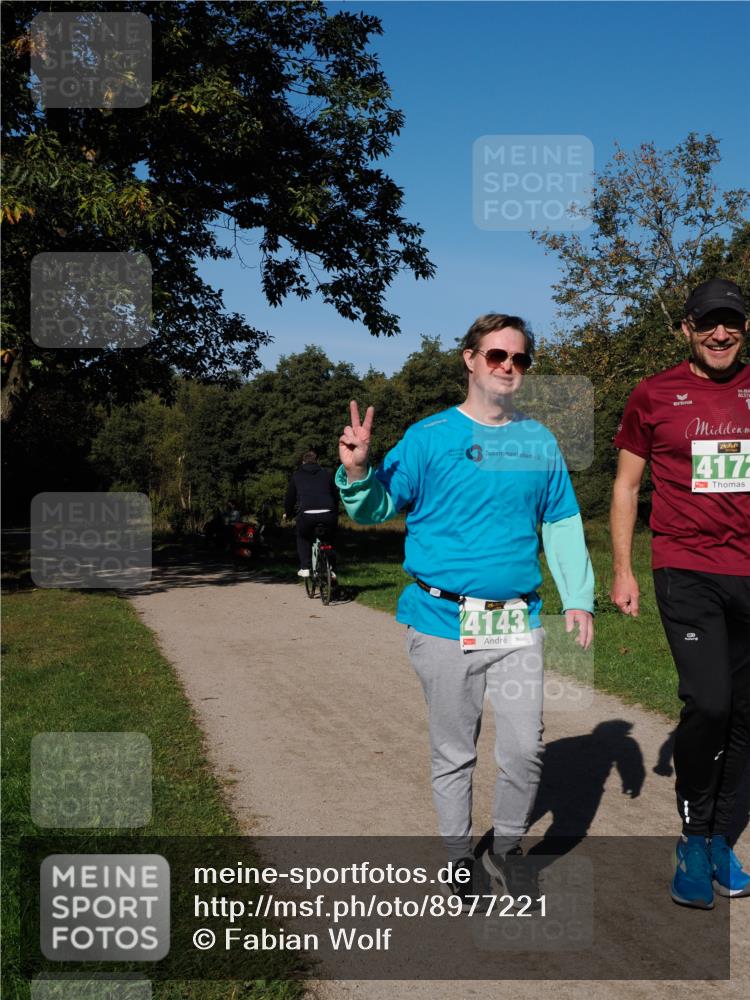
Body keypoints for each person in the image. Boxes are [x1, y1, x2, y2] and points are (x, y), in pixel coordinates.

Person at [336, 313, 594, 902]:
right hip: (440, 618)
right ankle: (458, 854)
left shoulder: (538, 441)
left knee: (526, 746)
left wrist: (577, 597)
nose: (509, 367)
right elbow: (375, 507)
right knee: (455, 748)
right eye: (497, 355)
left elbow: (560, 521)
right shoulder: (429, 438)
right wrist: (355, 470)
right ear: (471, 360)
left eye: (520, 359)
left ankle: (506, 848)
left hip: (516, 618)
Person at [610, 278, 750, 909]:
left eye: (734, 323)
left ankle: (722, 838)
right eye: (710, 323)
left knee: (747, 711)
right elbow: (626, 487)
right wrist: (623, 568)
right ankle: (692, 838)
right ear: (687, 329)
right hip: (686, 568)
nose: (722, 333)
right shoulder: (654, 394)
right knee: (711, 703)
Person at [284, 451, 339, 578]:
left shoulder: (297, 475)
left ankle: (305, 567)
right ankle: (331, 568)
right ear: (316, 461)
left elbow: (290, 498)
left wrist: (288, 513)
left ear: (303, 462)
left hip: (307, 515)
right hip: (328, 514)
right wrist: (334, 512)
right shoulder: (327, 474)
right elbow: (335, 496)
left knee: (302, 537)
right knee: (330, 538)